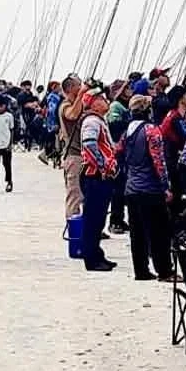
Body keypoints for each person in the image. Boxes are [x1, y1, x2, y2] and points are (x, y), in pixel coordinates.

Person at [115, 95, 176, 282]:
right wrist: (166, 186)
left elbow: (118, 151)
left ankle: (141, 270)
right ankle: (164, 270)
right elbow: (159, 161)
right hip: (150, 188)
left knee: (137, 232)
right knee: (159, 232)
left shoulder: (127, 132)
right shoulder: (151, 130)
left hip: (132, 188)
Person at [78, 88, 118, 272]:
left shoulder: (99, 121)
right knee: (93, 218)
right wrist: (103, 165)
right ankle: (91, 258)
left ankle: (96, 254)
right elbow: (89, 144)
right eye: (101, 98)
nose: (106, 100)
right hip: (95, 175)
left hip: (101, 175)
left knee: (99, 217)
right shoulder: (92, 121)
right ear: (94, 103)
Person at [59, 74, 89, 218]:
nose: (81, 87)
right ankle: (74, 232)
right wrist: (81, 95)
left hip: (83, 156)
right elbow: (72, 115)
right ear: (70, 88)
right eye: (79, 85)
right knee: (74, 195)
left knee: (86, 194)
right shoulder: (65, 106)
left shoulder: (80, 104)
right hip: (74, 156)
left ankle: (88, 228)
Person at [159, 84, 186, 212]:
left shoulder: (178, 117)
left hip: (173, 159)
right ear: (181, 99)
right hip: (172, 161)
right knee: (176, 195)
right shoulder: (175, 118)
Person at [106, 79, 132, 234]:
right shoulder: (116, 106)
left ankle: (120, 219)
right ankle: (115, 221)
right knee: (118, 188)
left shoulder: (124, 106)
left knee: (122, 188)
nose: (130, 90)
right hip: (118, 153)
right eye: (127, 88)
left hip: (124, 153)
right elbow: (114, 127)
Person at [40, 80, 63, 166]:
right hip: (53, 122)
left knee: (54, 140)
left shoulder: (52, 96)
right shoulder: (53, 97)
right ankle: (49, 156)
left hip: (51, 121)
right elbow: (52, 110)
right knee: (55, 141)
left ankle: (55, 159)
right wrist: (55, 122)